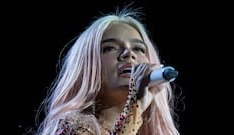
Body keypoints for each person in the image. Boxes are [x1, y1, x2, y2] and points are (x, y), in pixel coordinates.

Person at [35, 5, 181, 135]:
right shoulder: (71, 127)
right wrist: (134, 105)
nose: (128, 54)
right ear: (87, 68)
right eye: (109, 48)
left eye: (138, 48)